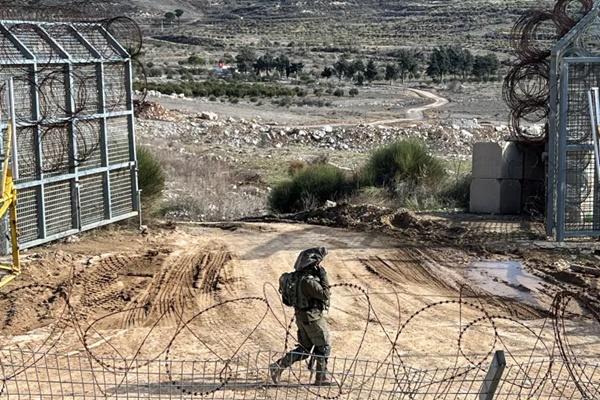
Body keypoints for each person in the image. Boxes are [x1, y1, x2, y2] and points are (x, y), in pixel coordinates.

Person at [269, 247, 332, 386]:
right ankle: (321, 377)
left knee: (304, 349)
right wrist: (323, 276)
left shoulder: (293, 277)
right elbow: (325, 295)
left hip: (301, 317)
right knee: (324, 347)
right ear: (312, 264)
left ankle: (278, 366)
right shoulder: (308, 281)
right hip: (313, 318)